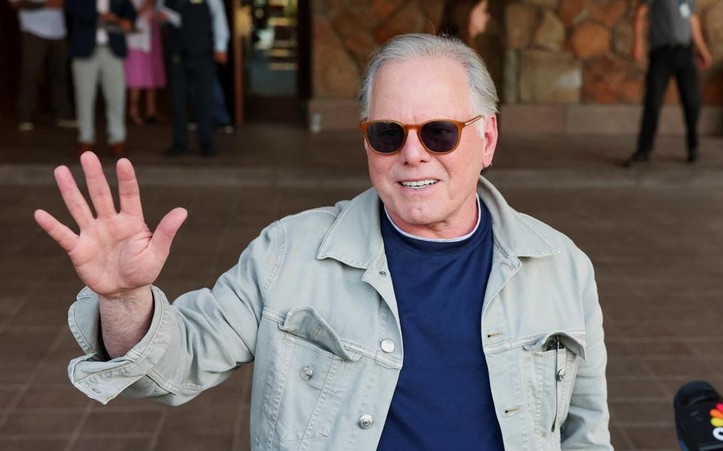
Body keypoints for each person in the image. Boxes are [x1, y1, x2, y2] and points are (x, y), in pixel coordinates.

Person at [33, 34, 611, 449]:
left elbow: (586, 433)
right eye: (388, 134)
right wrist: (125, 298)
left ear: (486, 139)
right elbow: (175, 368)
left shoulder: (563, 267)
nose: (413, 154)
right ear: (367, 143)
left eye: (440, 132)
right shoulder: (287, 253)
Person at [624, 0, 712, 167]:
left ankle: (693, 147)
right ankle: (643, 150)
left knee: (693, 101)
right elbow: (640, 13)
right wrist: (638, 42)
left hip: (685, 54)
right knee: (653, 102)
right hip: (662, 54)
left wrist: (702, 50)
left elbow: (692, 21)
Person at [65, 0, 136, 157]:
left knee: (116, 96)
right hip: (84, 49)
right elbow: (72, 7)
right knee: (84, 96)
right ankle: (85, 138)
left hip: (112, 49)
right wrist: (102, 16)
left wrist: (125, 22)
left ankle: (117, 138)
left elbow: (130, 13)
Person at [161, 0, 229, 157]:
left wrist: (221, 46)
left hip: (202, 51)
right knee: (178, 100)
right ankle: (180, 142)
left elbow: (218, 19)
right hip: (178, 52)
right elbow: (161, 14)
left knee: (204, 98)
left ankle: (206, 141)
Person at [9, 0, 77, 132]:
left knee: (60, 74)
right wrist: (46, 4)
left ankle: (63, 114)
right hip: (33, 30)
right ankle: (24, 116)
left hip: (58, 31)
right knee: (30, 73)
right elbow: (15, 4)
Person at [124, 0, 166, 126]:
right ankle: (133, 111)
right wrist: (146, 4)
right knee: (136, 74)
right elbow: (128, 15)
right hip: (135, 37)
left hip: (151, 34)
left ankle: (151, 111)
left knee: (151, 74)